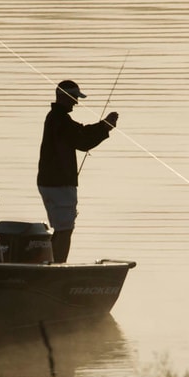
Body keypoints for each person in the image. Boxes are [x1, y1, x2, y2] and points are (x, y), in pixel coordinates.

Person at [36, 79, 118, 264]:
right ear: (63, 97)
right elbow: (82, 142)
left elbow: (79, 132)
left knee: (62, 227)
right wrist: (104, 128)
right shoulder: (59, 120)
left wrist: (102, 126)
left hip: (53, 182)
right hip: (58, 183)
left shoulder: (59, 118)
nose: (76, 102)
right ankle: (57, 266)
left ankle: (52, 264)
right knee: (65, 229)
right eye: (73, 98)